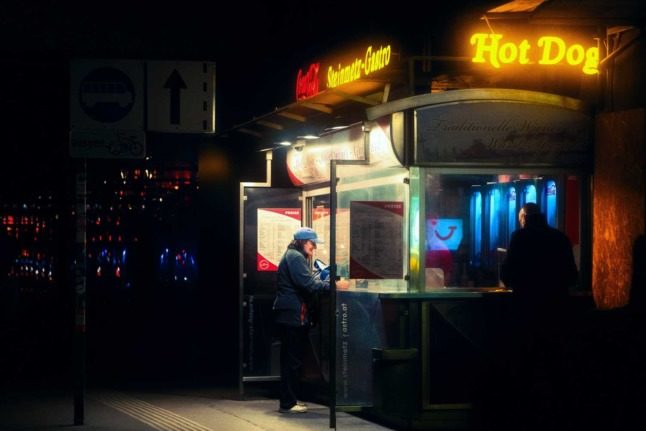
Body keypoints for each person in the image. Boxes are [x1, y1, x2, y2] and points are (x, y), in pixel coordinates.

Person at [500, 202, 578, 430]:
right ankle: (560, 416)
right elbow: (572, 276)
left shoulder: (520, 237)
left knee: (526, 366)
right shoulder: (559, 238)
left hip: (527, 310)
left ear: (524, 217)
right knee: (557, 367)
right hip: (556, 312)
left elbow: (508, 273)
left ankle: (525, 416)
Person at [273, 227, 348, 414]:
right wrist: (334, 285)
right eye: (311, 242)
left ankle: (288, 400)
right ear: (301, 242)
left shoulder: (292, 255)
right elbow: (308, 285)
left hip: (289, 314)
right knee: (292, 360)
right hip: (293, 315)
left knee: (291, 359)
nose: (314, 247)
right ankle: (288, 403)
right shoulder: (295, 257)